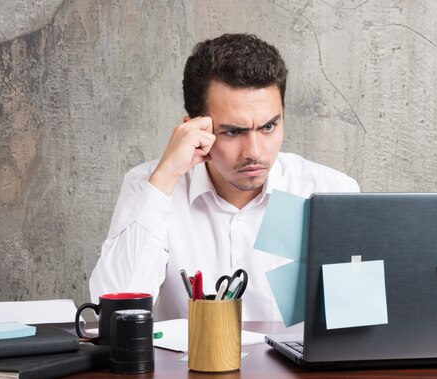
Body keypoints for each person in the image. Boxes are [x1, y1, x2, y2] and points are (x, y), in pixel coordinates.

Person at [89, 33, 359, 321]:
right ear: (194, 129)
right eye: (233, 131)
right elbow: (115, 311)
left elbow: (358, 321)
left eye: (268, 127)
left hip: (294, 367)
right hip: (187, 366)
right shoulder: (150, 185)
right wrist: (165, 178)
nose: (254, 152)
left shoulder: (330, 191)